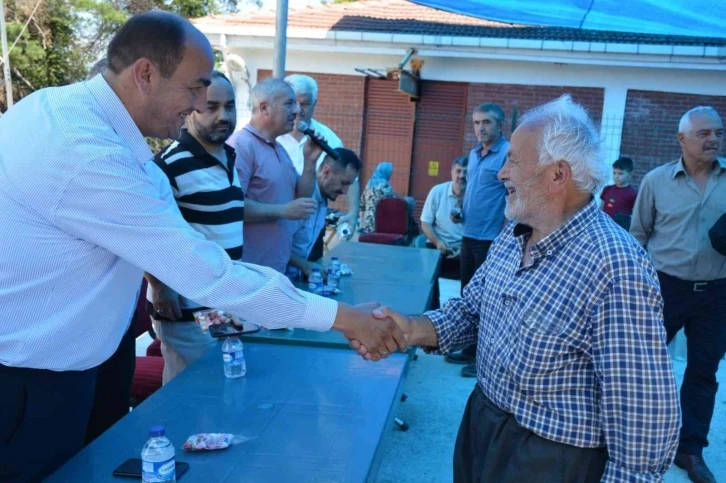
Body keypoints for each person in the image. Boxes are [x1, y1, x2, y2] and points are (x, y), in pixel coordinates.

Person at [0, 11, 404, 482]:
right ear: (146, 74)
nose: (197, 105)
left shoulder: (65, 111)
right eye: (194, 89)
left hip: (87, 360)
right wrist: (345, 319)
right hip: (33, 379)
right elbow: (206, 272)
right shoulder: (84, 153)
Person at [368, 95, 681, 483]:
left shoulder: (615, 266)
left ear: (557, 175)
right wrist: (410, 328)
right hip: (483, 425)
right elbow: (471, 312)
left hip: (550, 458)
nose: (501, 172)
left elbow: (642, 415)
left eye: (513, 159)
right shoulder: (514, 234)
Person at [631, 106, 725, 483]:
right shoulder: (656, 181)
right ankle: (632, 438)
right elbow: (638, 236)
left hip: (717, 294)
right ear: (681, 139)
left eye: (718, 132)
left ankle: (690, 450)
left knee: (703, 373)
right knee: (641, 367)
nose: (713, 139)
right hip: (664, 288)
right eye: (703, 133)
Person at [146, 71, 243, 384]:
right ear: (190, 109)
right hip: (186, 309)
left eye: (230, 106)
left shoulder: (228, 156)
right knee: (190, 393)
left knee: (217, 386)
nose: (223, 116)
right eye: (211, 107)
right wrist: (160, 285)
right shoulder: (169, 164)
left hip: (222, 302)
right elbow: (146, 231)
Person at [82, 57, 140, 445]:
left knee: (110, 434)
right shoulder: (87, 160)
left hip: (118, 330)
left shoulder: (139, 163)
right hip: (69, 342)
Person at [228, 78, 322, 274]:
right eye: (289, 104)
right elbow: (232, 207)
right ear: (264, 108)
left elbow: (301, 196)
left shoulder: (277, 148)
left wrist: (310, 162)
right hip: (249, 272)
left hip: (276, 269)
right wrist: (284, 210)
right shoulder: (242, 146)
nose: (296, 111)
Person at [446, 103, 508, 378]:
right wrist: (461, 209)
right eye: (476, 123)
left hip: (490, 240)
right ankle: (470, 350)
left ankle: (484, 360)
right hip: (469, 235)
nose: (480, 128)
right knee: (468, 297)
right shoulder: (473, 154)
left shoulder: (507, 153)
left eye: (486, 122)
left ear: (499, 126)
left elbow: (512, 194)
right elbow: (473, 191)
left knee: (488, 302)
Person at [278, 74, 361, 245]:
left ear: (315, 104)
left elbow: (351, 179)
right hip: (279, 224)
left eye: (305, 104)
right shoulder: (273, 136)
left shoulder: (329, 139)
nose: (299, 109)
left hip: (313, 227)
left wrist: (353, 212)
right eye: (293, 103)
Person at [288, 148, 362, 279]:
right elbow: (273, 242)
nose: (345, 191)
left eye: (349, 185)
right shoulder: (300, 195)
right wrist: (303, 264)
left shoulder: (323, 198)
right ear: (326, 172)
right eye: (343, 183)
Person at [420, 156, 467, 257]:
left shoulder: (474, 197)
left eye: (466, 172)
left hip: (463, 247)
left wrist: (463, 249)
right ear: (452, 172)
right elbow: (425, 223)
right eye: (458, 171)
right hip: (437, 243)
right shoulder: (437, 191)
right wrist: (438, 243)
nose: (462, 176)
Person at [599, 156, 637, 230]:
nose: (616, 176)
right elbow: (601, 209)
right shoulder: (607, 189)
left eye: (620, 174)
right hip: (604, 227)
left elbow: (635, 216)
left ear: (630, 174)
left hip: (620, 230)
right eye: (614, 173)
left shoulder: (633, 194)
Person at [358, 161, 394, 234]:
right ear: (385, 172)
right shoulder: (385, 186)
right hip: (379, 222)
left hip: (366, 222)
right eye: (390, 173)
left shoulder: (369, 184)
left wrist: (362, 221)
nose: (390, 175)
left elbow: (361, 204)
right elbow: (391, 204)